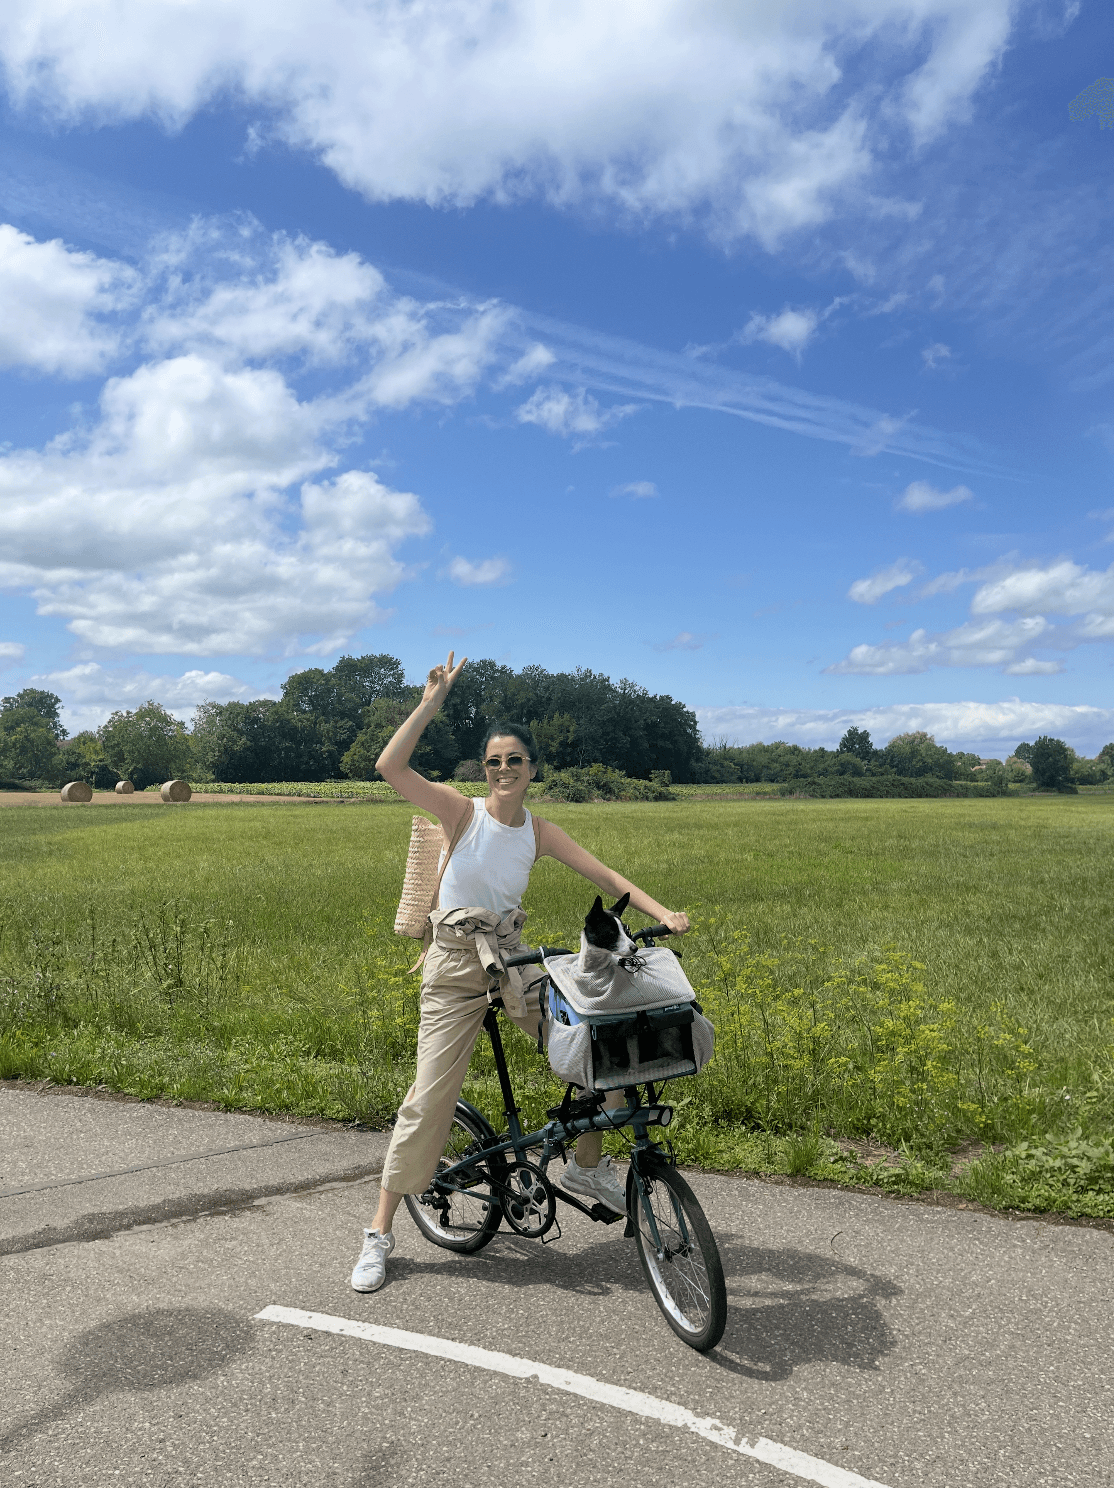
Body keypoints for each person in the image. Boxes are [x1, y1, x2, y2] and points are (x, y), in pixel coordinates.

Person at [350, 652, 690, 1292]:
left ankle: (584, 1166)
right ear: (484, 770)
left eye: (515, 760)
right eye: (493, 762)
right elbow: (390, 767)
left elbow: (605, 876)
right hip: (455, 964)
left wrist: (662, 912)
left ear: (533, 768)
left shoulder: (538, 831)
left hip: (511, 960)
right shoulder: (462, 812)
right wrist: (430, 704)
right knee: (429, 1099)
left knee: (594, 1047)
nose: (503, 770)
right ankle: (379, 1232)